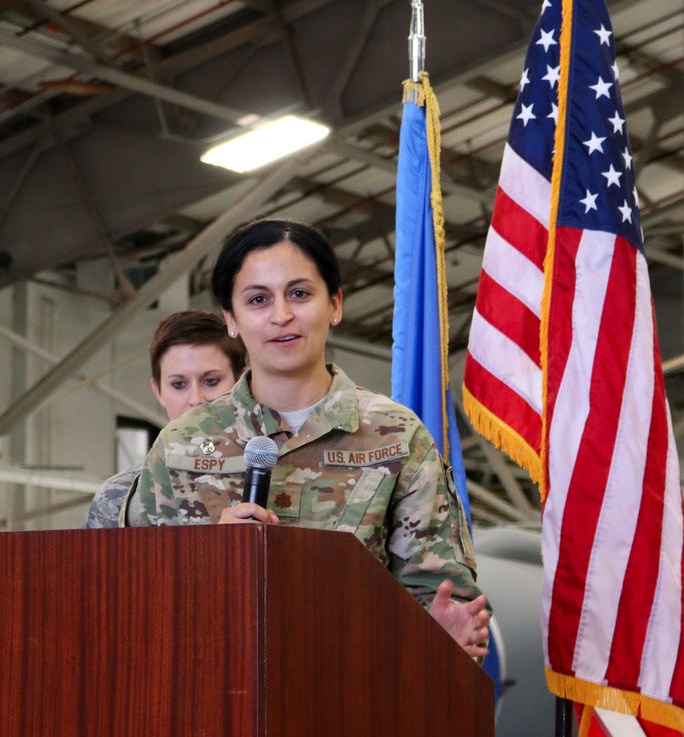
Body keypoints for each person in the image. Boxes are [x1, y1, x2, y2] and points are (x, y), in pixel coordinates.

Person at [125, 218, 490, 656]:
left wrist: (442, 636)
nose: (281, 315)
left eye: (300, 294)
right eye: (258, 299)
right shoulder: (181, 444)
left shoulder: (396, 436)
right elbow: (135, 602)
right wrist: (207, 560)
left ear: (335, 304)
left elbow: (441, 600)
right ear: (231, 320)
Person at [82, 310, 247, 528]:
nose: (196, 399)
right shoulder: (119, 497)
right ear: (158, 390)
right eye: (179, 384)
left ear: (241, 383)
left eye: (211, 381)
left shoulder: (276, 474)